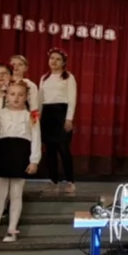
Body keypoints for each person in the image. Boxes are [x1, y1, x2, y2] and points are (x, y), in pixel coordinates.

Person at [0, 80, 39, 243]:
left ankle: (11, 230)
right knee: (0, 195)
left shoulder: (31, 116)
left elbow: (36, 138)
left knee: (16, 194)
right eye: (12, 94)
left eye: (20, 95)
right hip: (3, 153)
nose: (16, 98)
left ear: (26, 97)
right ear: (6, 96)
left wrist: (34, 160)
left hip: (21, 154)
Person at [38, 48, 78, 196]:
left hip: (61, 113)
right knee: (50, 151)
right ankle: (53, 181)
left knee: (64, 149)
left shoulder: (68, 77)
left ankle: (70, 181)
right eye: (52, 58)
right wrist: (38, 118)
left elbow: (72, 98)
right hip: (47, 115)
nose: (54, 61)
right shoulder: (44, 78)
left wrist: (69, 118)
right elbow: (40, 99)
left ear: (63, 62)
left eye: (58, 59)